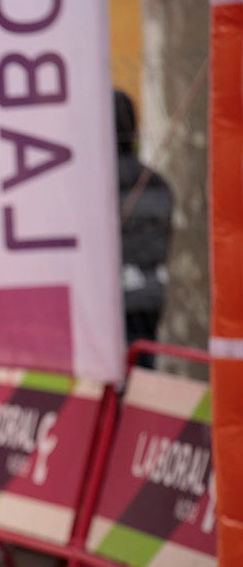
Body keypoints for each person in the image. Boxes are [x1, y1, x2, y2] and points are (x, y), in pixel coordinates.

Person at [114, 89, 173, 365]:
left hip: (110, 307)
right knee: (141, 384)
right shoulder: (158, 183)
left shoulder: (94, 184)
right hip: (150, 301)